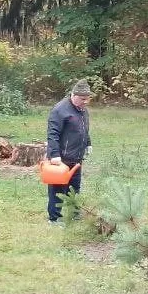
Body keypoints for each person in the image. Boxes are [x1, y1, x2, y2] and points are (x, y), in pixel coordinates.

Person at [45, 80, 93, 223]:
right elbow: (52, 134)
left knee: (74, 187)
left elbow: (83, 129)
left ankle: (75, 214)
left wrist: (88, 143)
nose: (86, 102)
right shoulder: (60, 110)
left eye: (88, 99)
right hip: (61, 158)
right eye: (83, 99)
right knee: (57, 189)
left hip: (76, 158)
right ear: (73, 95)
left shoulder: (83, 110)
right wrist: (54, 155)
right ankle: (54, 218)